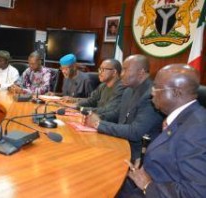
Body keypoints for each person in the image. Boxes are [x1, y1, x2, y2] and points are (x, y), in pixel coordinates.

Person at [121, 64, 206, 197]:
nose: (152, 92)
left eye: (157, 87)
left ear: (176, 93)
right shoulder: (183, 117)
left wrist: (147, 185)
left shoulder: (197, 130)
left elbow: (197, 192)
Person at [84, 54, 163, 162]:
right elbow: (117, 113)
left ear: (141, 72)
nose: (121, 75)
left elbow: (135, 132)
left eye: (125, 70)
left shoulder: (151, 96)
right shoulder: (128, 90)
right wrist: (95, 116)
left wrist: (98, 124)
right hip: (120, 143)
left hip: (139, 155)